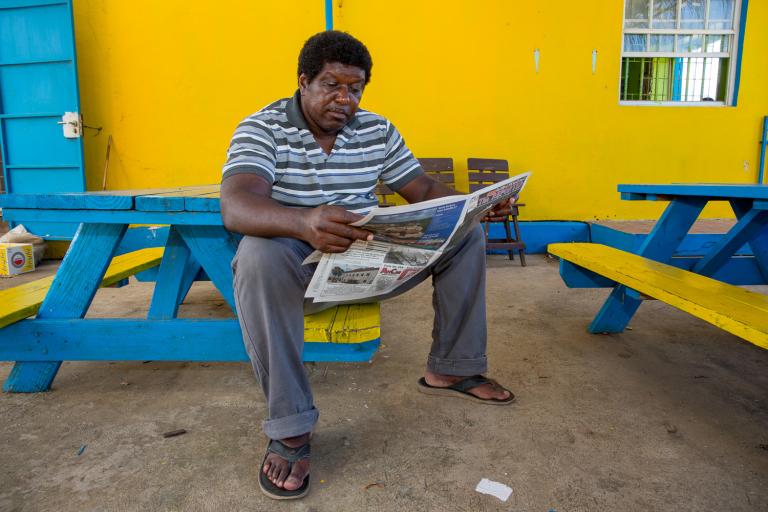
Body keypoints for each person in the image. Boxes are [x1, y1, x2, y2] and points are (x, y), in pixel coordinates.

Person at [220, 30, 515, 500]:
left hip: (367, 257)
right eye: (331, 85)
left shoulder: (376, 129)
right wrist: (303, 223)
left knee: (468, 233)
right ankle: (291, 426)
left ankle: (453, 368)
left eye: (355, 88)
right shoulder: (263, 128)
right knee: (256, 253)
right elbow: (237, 206)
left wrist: (474, 205)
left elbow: (420, 190)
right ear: (303, 82)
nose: (344, 99)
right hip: (298, 265)